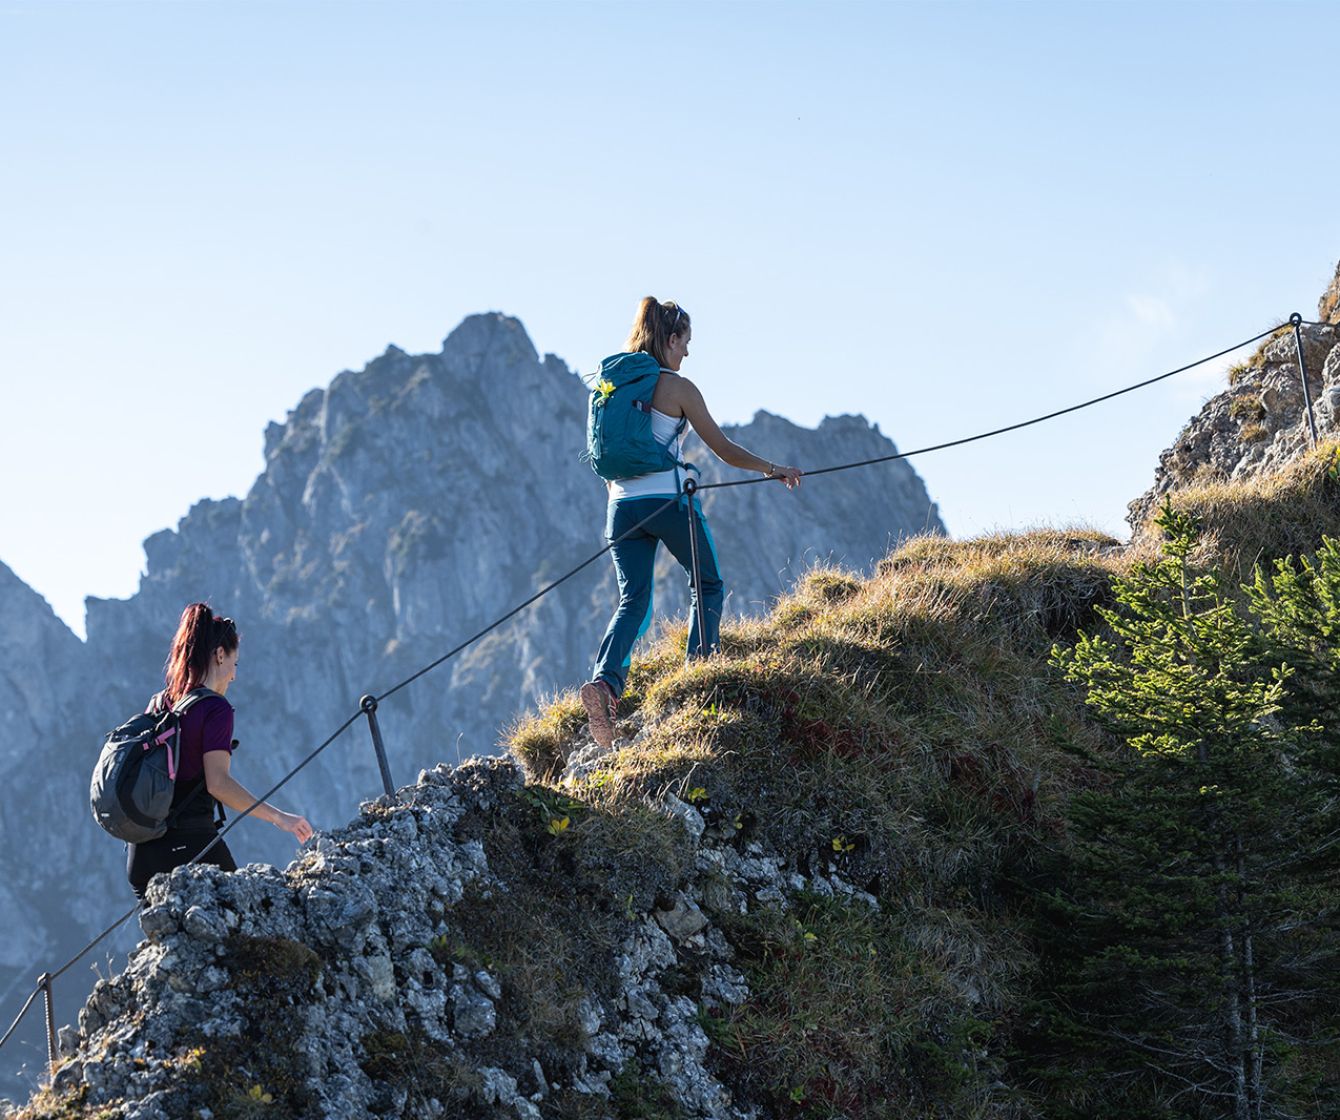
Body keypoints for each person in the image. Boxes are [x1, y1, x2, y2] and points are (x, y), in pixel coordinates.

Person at [580, 297, 803, 748]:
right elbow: (722, 448)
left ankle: (604, 684)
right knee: (708, 585)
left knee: (633, 601)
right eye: (685, 343)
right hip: (669, 500)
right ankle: (699, 673)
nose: (687, 353)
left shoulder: (614, 387)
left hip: (620, 508)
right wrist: (772, 468)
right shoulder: (677, 387)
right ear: (670, 337)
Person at [127, 603, 313, 899]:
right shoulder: (215, 708)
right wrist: (279, 817)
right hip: (188, 843)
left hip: (140, 855)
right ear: (220, 655)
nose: (234, 676)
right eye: (235, 665)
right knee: (251, 920)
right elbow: (218, 783)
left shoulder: (160, 703)